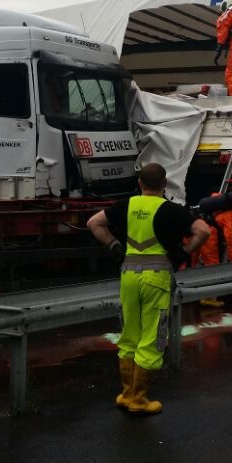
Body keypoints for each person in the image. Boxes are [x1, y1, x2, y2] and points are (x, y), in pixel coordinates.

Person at [87, 164, 210, 414]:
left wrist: (114, 246)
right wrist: (184, 253)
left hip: (128, 276)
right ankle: (139, 398)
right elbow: (203, 231)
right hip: (157, 278)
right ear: (164, 184)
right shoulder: (172, 210)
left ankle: (126, 394)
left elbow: (94, 223)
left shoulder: (126, 205)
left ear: (140, 184)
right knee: (152, 336)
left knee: (129, 335)